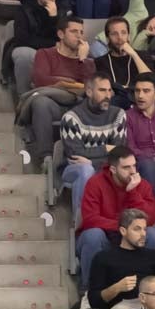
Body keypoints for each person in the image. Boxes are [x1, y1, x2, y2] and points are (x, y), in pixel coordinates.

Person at [76, 147, 155, 296]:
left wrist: (133, 192)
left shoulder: (141, 185)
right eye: (126, 167)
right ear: (113, 169)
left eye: (134, 165)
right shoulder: (95, 183)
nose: (132, 171)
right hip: (105, 236)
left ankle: (154, 289)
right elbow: (90, 219)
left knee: (153, 234)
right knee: (93, 235)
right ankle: (89, 291)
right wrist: (123, 228)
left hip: (131, 236)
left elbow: (151, 217)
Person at [25, 16, 97, 164]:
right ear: (61, 34)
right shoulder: (44, 54)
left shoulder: (88, 61)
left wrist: (82, 61)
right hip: (54, 105)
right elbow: (41, 81)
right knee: (41, 102)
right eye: (74, 31)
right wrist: (71, 83)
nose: (79, 36)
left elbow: (90, 89)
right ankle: (47, 158)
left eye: (81, 32)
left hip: (78, 105)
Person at [87, 208, 155, 309]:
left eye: (144, 229)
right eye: (137, 229)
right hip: (123, 305)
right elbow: (94, 300)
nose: (143, 234)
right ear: (123, 231)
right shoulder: (103, 258)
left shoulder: (154, 257)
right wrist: (117, 288)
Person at [60, 74, 126, 215]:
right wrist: (105, 149)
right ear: (89, 92)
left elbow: (119, 153)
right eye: (102, 90)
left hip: (106, 167)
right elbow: (75, 155)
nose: (108, 95)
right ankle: (83, 218)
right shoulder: (72, 118)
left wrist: (91, 160)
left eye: (109, 91)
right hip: (73, 170)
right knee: (86, 169)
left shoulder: (119, 115)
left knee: (124, 167)